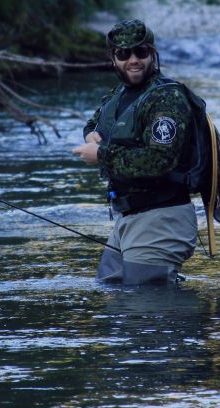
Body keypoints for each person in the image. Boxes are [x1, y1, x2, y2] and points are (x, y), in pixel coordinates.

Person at [72, 18, 198, 285]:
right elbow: (93, 123)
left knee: (144, 310)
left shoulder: (167, 98)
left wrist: (102, 154)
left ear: (152, 54)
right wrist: (91, 136)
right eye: (124, 53)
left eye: (141, 52)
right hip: (129, 219)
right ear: (113, 58)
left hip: (162, 218)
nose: (133, 60)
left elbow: (159, 160)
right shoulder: (117, 95)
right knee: (109, 290)